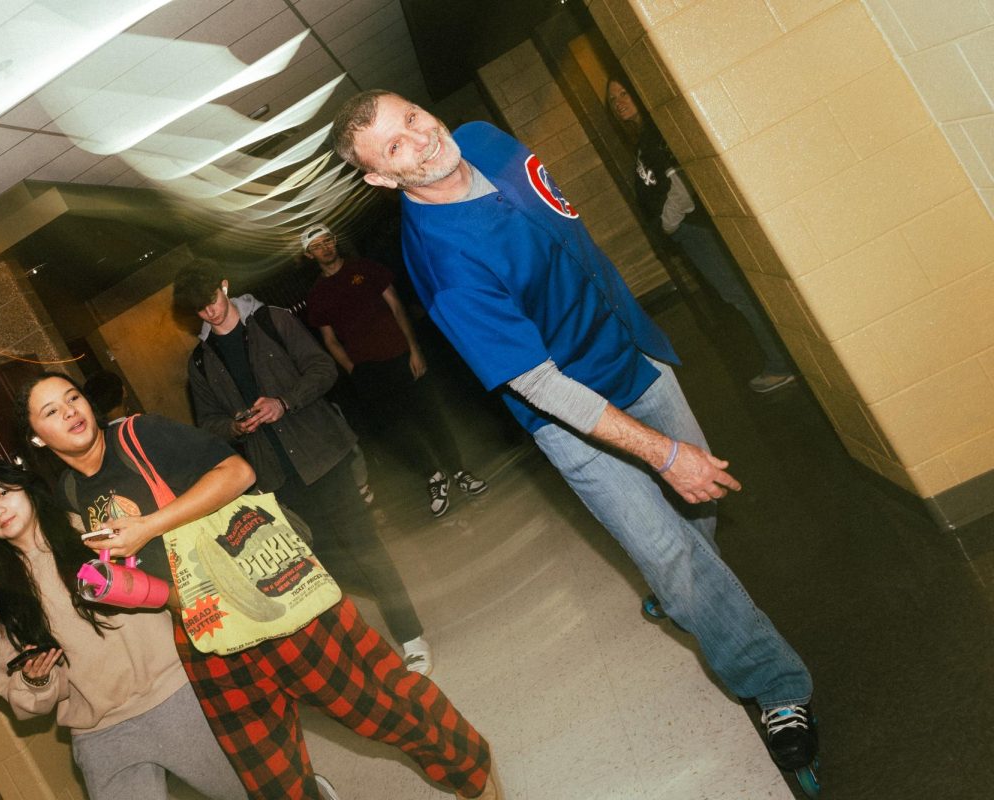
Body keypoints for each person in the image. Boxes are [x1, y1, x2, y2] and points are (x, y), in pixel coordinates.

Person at [330, 90, 818, 779]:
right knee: (672, 554)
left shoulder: (487, 140)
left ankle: (681, 590)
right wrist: (662, 453)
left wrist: (648, 373)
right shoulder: (444, 267)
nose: (420, 138)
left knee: (695, 519)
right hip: (572, 417)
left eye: (411, 117)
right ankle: (775, 686)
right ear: (381, 177)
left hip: (633, 356)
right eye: (394, 146)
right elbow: (540, 384)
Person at [15, 371, 500, 800]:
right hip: (202, 632)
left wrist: (149, 525)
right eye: (51, 411)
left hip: (270, 593)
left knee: (377, 705)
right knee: (268, 777)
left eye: (73, 397)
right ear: (37, 438)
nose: (70, 412)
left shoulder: (142, 434)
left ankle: (473, 773)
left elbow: (237, 472)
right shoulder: (72, 492)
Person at [174, 264, 435, 675]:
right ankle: (364, 649)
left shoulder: (272, 320)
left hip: (323, 457)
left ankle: (410, 636)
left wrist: (284, 402)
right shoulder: (201, 363)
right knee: (321, 567)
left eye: (211, 301)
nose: (209, 313)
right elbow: (207, 423)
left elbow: (323, 369)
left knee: (366, 549)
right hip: (275, 478)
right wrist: (235, 426)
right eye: (199, 310)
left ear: (225, 285)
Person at [0, 460, 249, 800]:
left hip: (173, 694)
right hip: (99, 730)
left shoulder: (89, 528)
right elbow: (21, 698)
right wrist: (36, 680)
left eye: (3, 493)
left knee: (250, 791)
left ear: (25, 487)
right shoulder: (1, 595)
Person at [606, 76, 795, 394]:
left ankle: (784, 363)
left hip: (694, 229)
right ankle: (786, 358)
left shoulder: (655, 133)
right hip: (688, 232)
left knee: (740, 296)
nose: (620, 102)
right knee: (738, 295)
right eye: (613, 100)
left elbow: (682, 187)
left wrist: (668, 224)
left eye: (625, 93)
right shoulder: (642, 140)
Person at [302, 222, 488, 518]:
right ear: (309, 255)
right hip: (368, 371)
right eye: (317, 246)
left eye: (328, 241)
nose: (326, 248)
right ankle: (433, 477)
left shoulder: (365, 268)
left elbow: (397, 307)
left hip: (401, 356)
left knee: (431, 416)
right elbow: (329, 341)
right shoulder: (318, 295)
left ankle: (459, 472)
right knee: (396, 431)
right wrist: (354, 370)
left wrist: (414, 349)